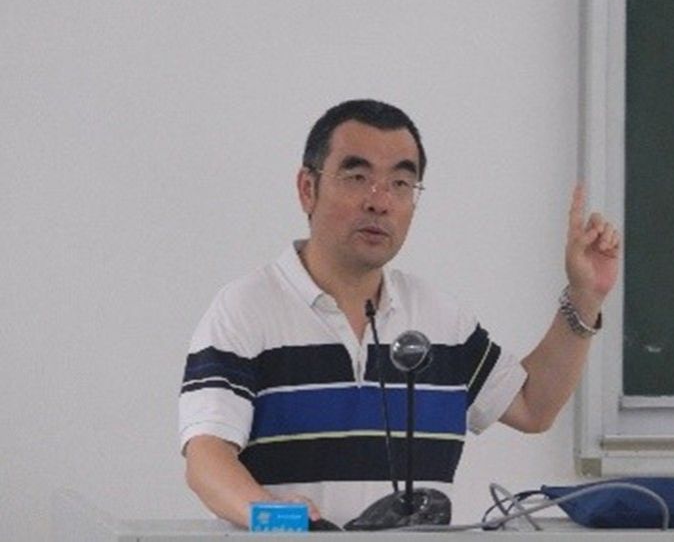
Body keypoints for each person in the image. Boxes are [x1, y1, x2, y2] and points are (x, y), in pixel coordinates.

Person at [178, 99, 621, 528]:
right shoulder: (246, 309)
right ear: (307, 189)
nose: (380, 201)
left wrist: (585, 296)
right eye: (357, 177)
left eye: (401, 184)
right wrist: (278, 518)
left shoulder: (440, 319)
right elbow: (206, 457)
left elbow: (532, 405)